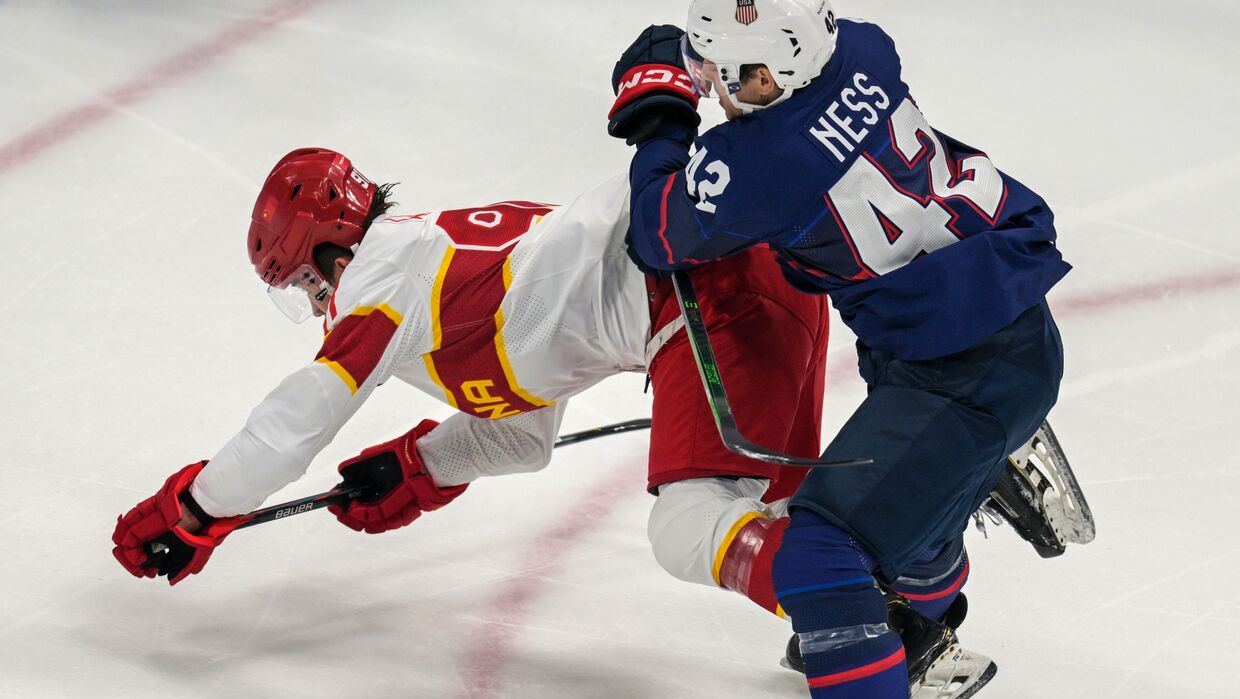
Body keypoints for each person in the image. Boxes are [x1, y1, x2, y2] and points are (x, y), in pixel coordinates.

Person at [607, 0, 1070, 699]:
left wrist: (659, 116)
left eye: (723, 75)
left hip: (962, 371)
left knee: (822, 546)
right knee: (897, 519)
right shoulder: (862, 47)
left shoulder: (764, 161)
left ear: (768, 74)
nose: (716, 89)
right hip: (990, 327)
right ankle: (931, 620)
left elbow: (659, 231)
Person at [109, 149, 831, 625]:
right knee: (786, 503)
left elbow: (296, 421)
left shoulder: (378, 282)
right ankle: (907, 612)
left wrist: (197, 507)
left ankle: (853, 621)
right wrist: (424, 466)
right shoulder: (454, 265)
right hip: (772, 277)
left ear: (331, 250)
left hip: (707, 300)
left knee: (691, 525)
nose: (314, 301)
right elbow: (523, 433)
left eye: (303, 280)